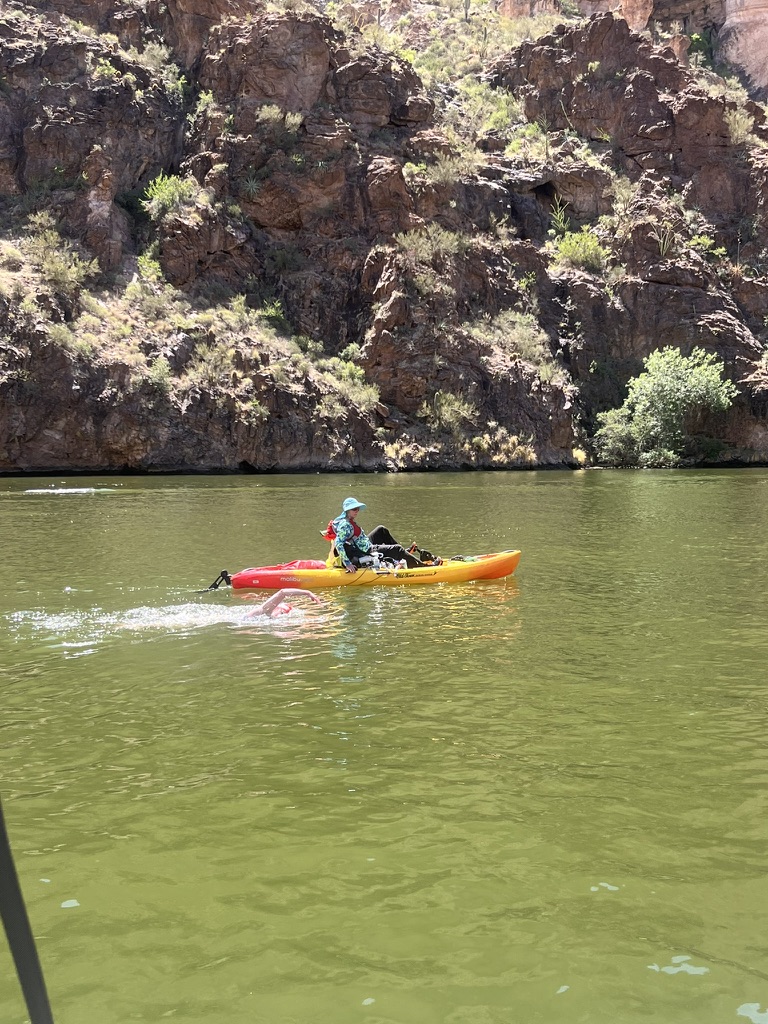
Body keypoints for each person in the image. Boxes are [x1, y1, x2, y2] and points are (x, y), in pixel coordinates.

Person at [323, 497, 441, 573]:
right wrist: (348, 564)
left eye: (357, 508)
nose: (357, 511)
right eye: (354, 509)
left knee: (381, 530)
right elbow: (339, 543)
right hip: (365, 550)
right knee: (397, 549)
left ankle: (402, 555)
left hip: (363, 544)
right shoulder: (345, 525)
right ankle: (422, 567)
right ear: (347, 510)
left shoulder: (345, 519)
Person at [244, 588, 323, 618]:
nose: (280, 612)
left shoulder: (268, 615)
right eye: (281, 610)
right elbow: (283, 592)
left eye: (282, 612)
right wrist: (307, 592)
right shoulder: (264, 610)